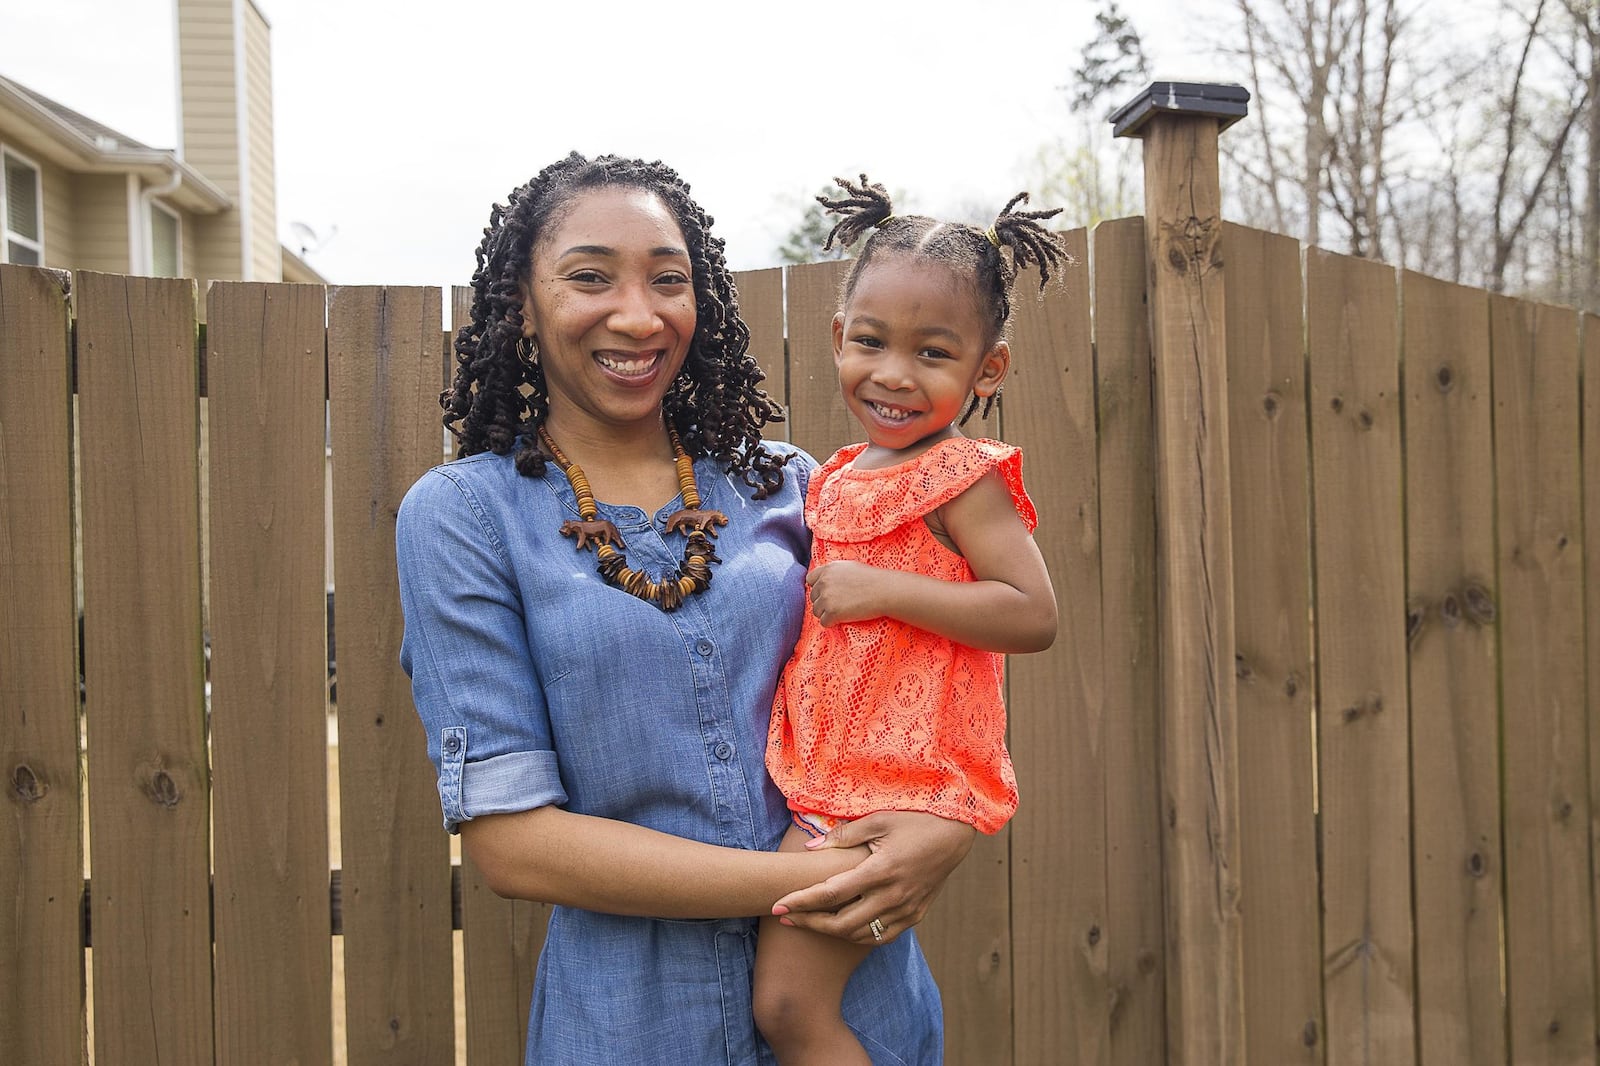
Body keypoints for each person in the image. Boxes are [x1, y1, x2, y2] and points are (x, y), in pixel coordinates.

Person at [395, 153, 975, 1066]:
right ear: (521, 300)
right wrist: (822, 876)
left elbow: (929, 668)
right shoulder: (467, 516)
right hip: (633, 1027)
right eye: (590, 277)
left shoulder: (792, 484)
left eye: (669, 280)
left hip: (856, 1007)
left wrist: (947, 826)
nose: (639, 313)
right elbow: (514, 847)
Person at [751, 176, 1066, 1065]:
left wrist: (884, 591)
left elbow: (1031, 613)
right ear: (836, 337)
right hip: (827, 771)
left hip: (899, 781)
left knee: (787, 1007)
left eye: (933, 353)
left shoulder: (962, 477)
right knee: (782, 1001)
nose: (892, 374)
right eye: (871, 342)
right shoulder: (841, 471)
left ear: (987, 369)